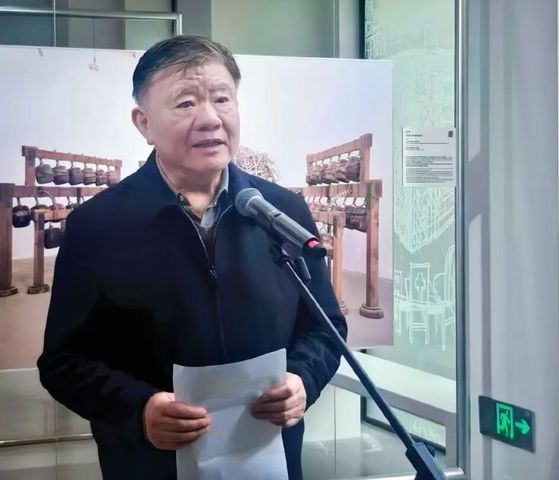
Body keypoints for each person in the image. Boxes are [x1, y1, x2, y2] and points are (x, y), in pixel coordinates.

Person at [37, 35, 347, 480]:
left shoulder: (281, 213)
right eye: (185, 103)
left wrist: (302, 380)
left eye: (222, 99)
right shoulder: (98, 225)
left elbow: (325, 328)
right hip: (150, 465)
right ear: (144, 123)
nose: (210, 119)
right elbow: (63, 361)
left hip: (268, 460)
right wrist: (140, 409)